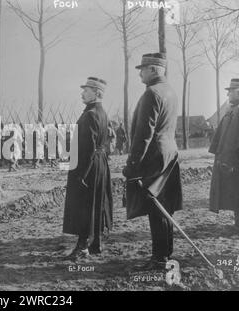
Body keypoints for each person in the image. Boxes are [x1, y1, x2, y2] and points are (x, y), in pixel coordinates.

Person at [123, 53, 183, 269]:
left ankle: (159, 258)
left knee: (156, 208)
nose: (140, 73)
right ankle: (165, 253)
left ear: (155, 70)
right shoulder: (170, 92)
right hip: (169, 155)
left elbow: (143, 135)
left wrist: (132, 165)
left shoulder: (152, 93)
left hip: (154, 158)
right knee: (165, 207)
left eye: (143, 69)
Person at [63, 77, 113, 259]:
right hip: (99, 163)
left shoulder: (90, 114)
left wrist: (81, 174)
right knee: (96, 203)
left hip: (89, 165)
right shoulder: (102, 112)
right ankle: (96, 243)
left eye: (87, 90)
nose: (82, 93)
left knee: (85, 205)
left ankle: (82, 246)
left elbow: (87, 148)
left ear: (96, 93)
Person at [209, 78, 239, 236]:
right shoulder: (235, 109)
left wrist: (231, 160)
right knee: (238, 191)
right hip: (234, 159)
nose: (227, 93)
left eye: (230, 91)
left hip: (237, 160)